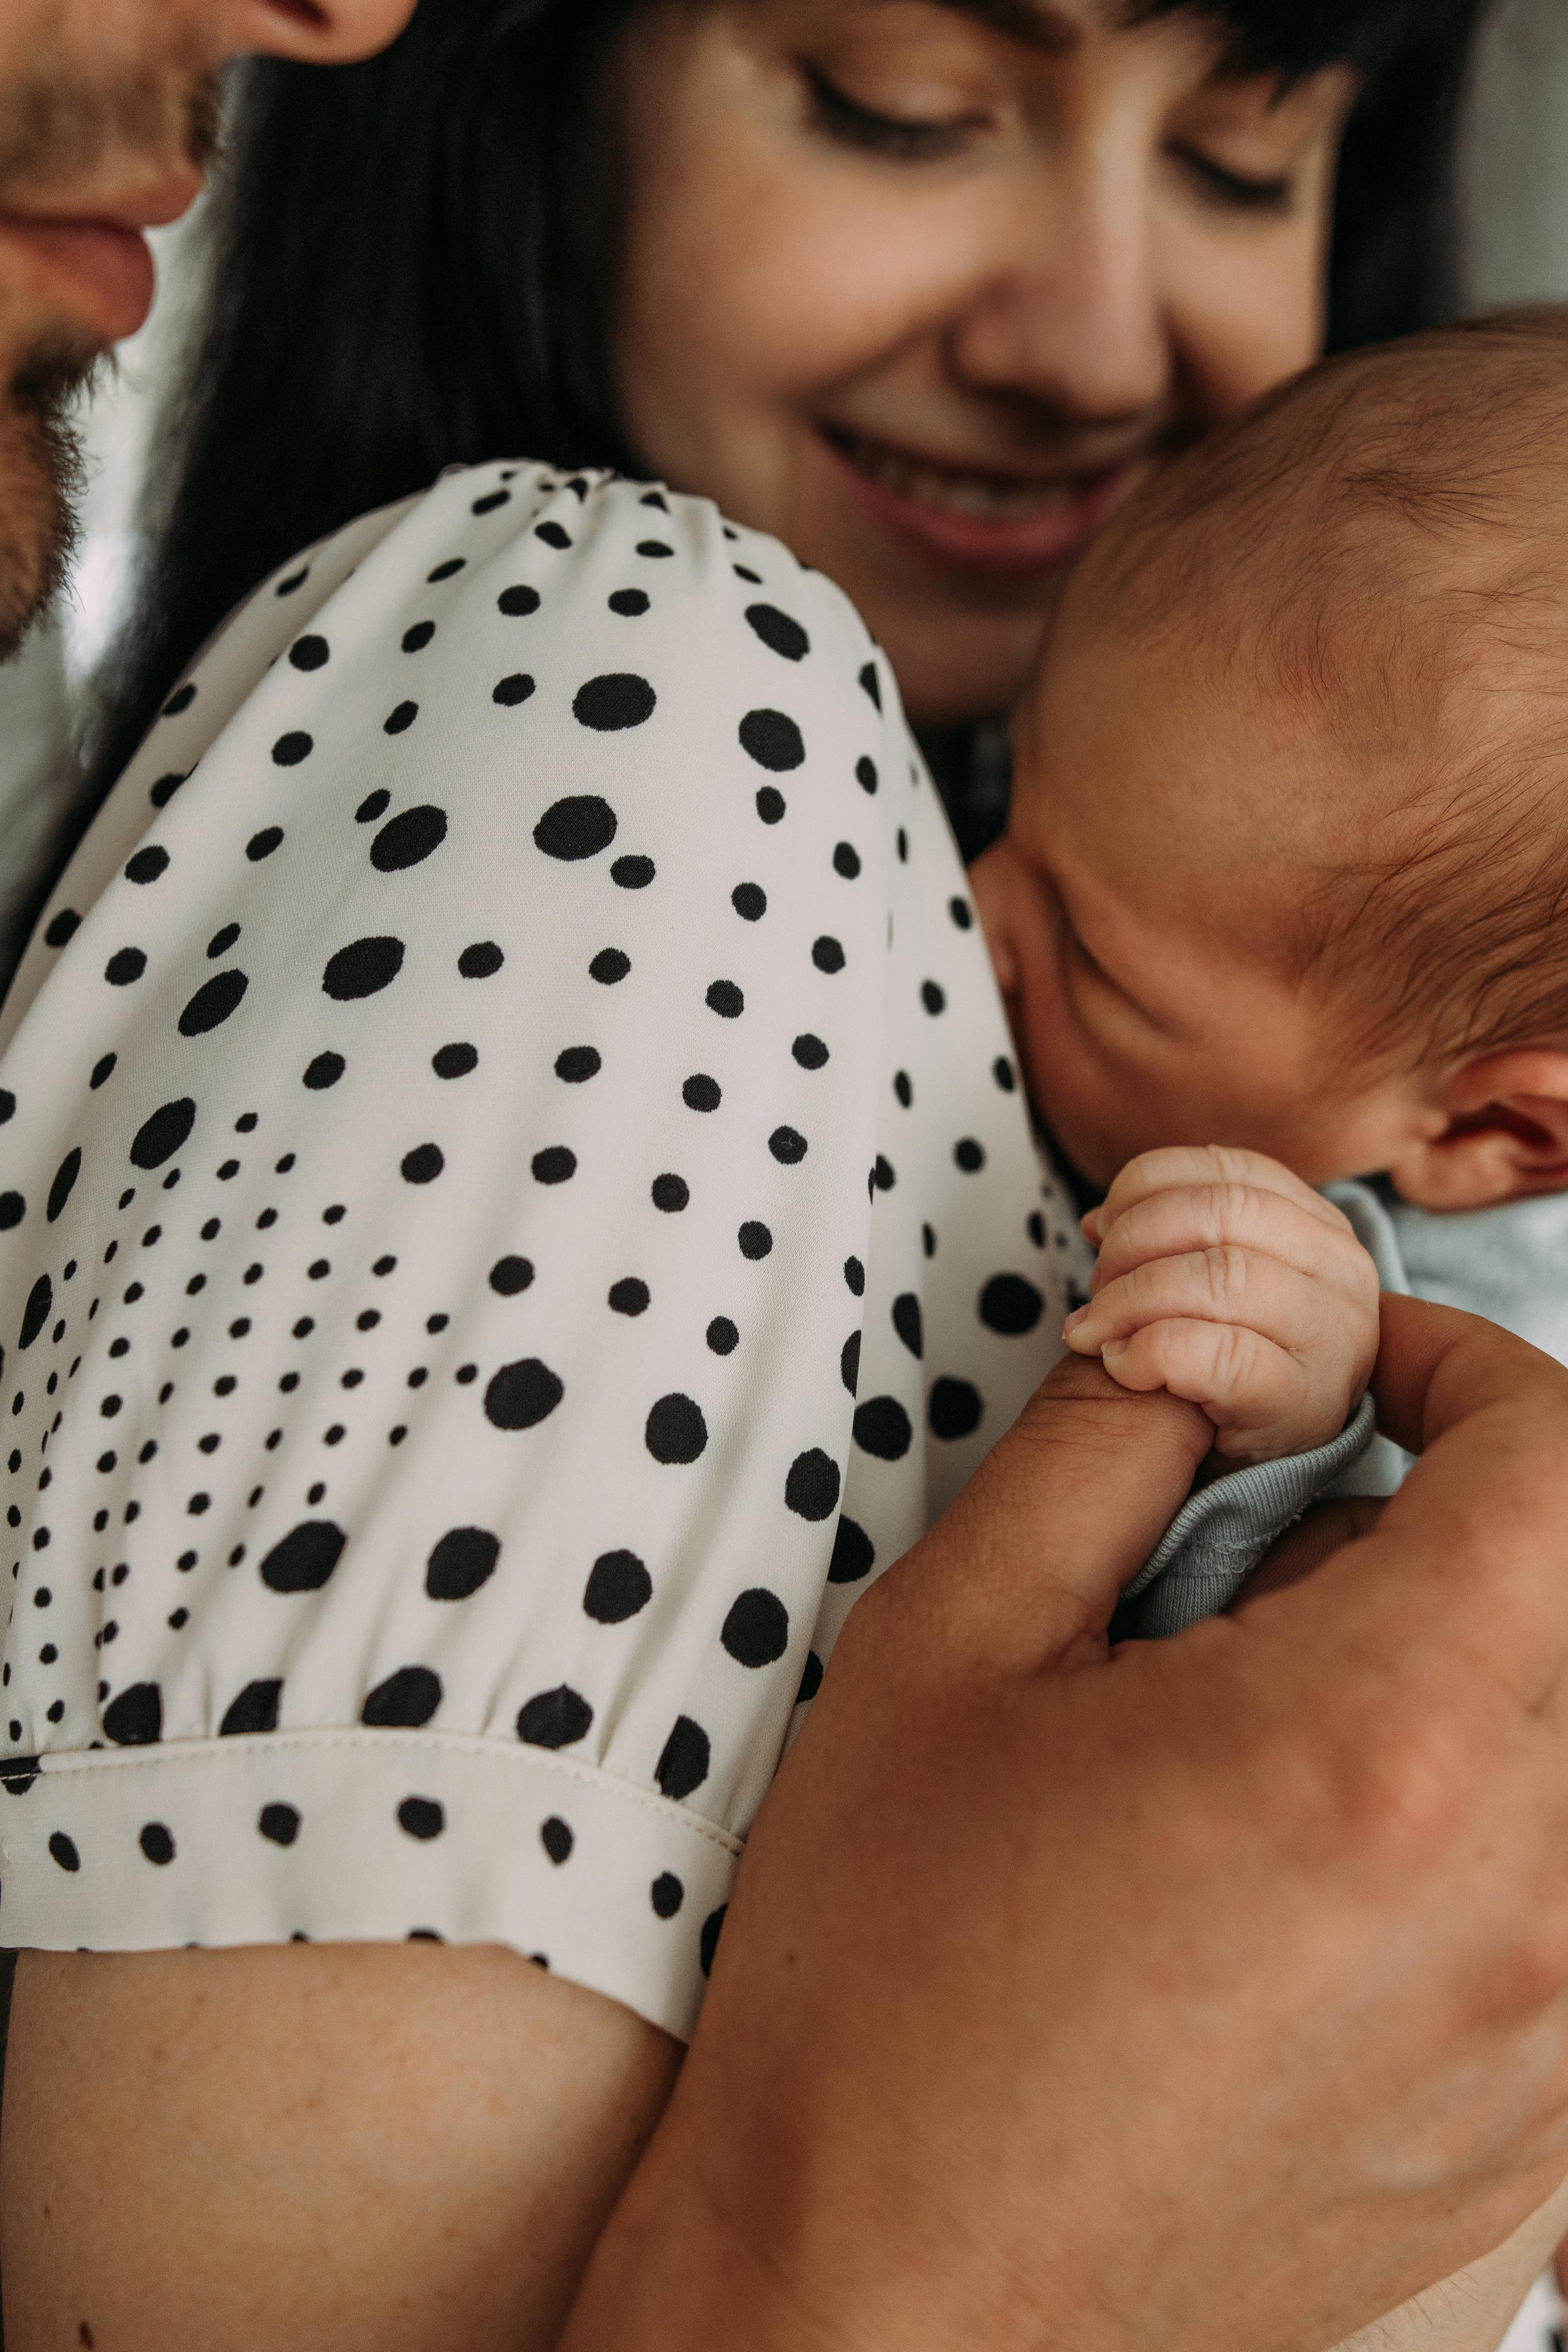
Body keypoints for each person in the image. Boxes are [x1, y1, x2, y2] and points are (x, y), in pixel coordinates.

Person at [3, 6, 1562, 2352]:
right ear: (522, 99)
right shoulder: (612, 687)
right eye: (899, 106)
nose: (1096, 346)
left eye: (1249, 161)